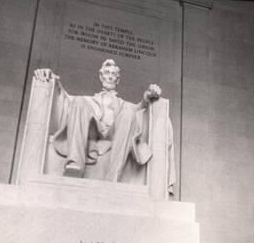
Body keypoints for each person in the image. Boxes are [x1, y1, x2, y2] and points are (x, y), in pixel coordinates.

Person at [34, 59, 175, 190]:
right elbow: (64, 100)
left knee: (128, 113)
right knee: (78, 101)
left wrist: (148, 95)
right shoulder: (88, 101)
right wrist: (53, 79)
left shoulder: (124, 105)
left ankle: (112, 176)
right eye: (107, 73)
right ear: (101, 76)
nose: (110, 76)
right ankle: (75, 164)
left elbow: (139, 109)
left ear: (117, 79)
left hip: (115, 133)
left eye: (113, 74)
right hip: (93, 130)